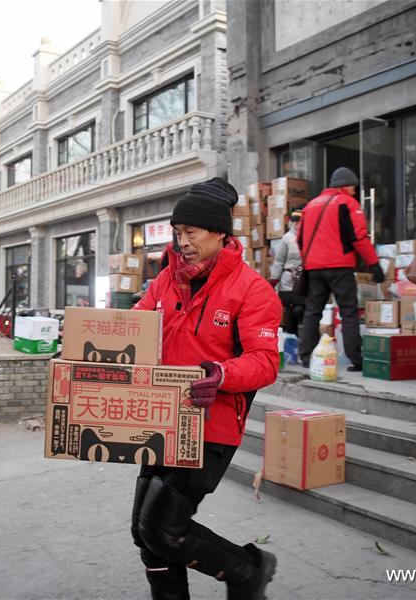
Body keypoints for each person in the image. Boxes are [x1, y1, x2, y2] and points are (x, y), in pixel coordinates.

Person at [132, 177, 282, 600]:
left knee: (164, 528)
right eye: (178, 234)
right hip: (160, 418)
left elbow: (266, 361)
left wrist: (220, 375)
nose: (182, 243)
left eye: (191, 233)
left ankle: (249, 570)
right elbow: (136, 329)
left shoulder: (252, 290)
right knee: (145, 535)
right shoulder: (165, 282)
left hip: (210, 426)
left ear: (219, 233)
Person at [297, 167, 383, 372]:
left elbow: (300, 240)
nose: (354, 191)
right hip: (340, 267)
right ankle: (356, 358)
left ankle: (306, 356)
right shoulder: (347, 203)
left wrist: (312, 260)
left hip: (314, 268)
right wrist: (374, 264)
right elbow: (359, 237)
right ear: (345, 186)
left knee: (312, 312)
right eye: (353, 187)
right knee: (349, 312)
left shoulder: (310, 206)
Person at [269, 210, 304, 335]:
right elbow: (279, 260)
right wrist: (274, 279)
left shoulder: (309, 236)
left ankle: (301, 338)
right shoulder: (287, 238)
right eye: (295, 222)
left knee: (300, 309)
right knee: (289, 310)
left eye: (299, 222)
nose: (297, 224)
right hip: (288, 280)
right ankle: (290, 338)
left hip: (304, 280)